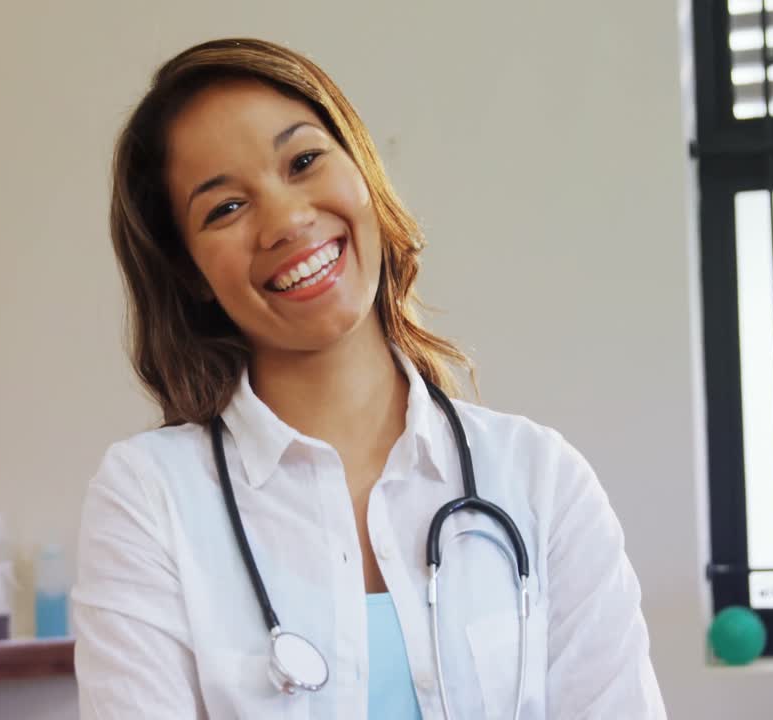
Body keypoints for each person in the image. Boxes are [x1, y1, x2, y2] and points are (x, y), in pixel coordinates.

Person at [71, 37, 666, 719]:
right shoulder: (150, 498)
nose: (287, 221)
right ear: (189, 272)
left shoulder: (542, 481)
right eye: (225, 208)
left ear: (363, 171)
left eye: (303, 161)